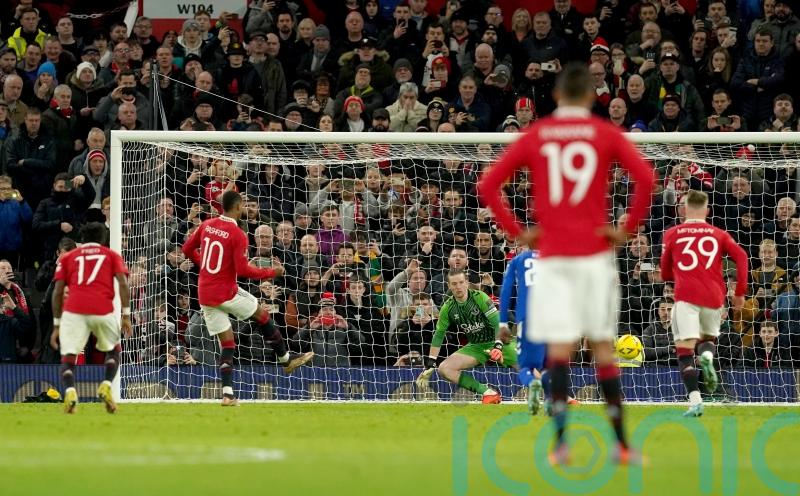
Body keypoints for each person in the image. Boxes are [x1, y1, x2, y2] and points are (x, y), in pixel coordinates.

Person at [476, 62, 656, 465]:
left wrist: (519, 232)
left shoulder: (537, 134)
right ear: (592, 97)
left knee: (559, 351)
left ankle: (560, 446)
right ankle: (622, 446)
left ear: (556, 96)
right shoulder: (605, 132)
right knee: (603, 350)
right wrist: (625, 228)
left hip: (554, 258)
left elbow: (487, 184)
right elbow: (645, 178)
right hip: (594, 256)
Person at [181, 191, 313, 406]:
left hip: (204, 292)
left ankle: (228, 394)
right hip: (225, 291)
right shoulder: (238, 234)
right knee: (262, 315)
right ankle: (286, 359)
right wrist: (273, 272)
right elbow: (243, 270)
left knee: (227, 343)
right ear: (239, 206)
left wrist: (204, 266)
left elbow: (187, 248)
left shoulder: (206, 224)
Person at [660, 190, 749, 417]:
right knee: (707, 340)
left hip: (686, 296)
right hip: (714, 297)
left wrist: (675, 273)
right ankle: (708, 356)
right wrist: (739, 293)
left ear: (685, 209)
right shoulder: (718, 233)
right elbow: (742, 257)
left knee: (684, 352)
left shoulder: (672, 233)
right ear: (707, 210)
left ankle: (696, 401)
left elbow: (664, 272)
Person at [49, 223, 131, 414]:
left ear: (82, 239)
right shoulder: (111, 255)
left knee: (69, 356)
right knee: (114, 350)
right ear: (103, 238)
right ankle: (106, 385)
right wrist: (125, 315)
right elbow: (123, 284)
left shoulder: (69, 257)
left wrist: (56, 324)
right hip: (102, 308)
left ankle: (70, 391)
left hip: (74, 310)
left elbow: (57, 291)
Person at [416, 269, 516, 404]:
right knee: (444, 368)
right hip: (476, 346)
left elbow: (497, 323)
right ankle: (488, 393)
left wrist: (498, 346)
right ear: (449, 286)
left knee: (528, 369)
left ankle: (552, 396)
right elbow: (439, 335)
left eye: (461, 282)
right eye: (454, 284)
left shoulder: (480, 297)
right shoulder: (448, 307)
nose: (458, 287)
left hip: (498, 341)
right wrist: (430, 363)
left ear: (467, 283)